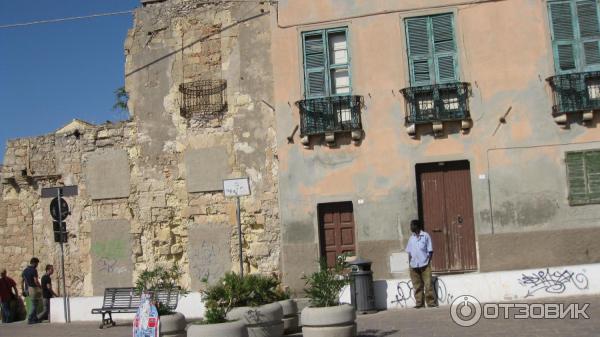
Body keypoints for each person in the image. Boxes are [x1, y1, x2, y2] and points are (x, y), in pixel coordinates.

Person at [405, 219, 437, 308]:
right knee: (417, 286)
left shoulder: (426, 236)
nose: (410, 227)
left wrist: (427, 262)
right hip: (414, 265)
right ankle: (419, 303)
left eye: (412, 225)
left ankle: (431, 303)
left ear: (417, 226)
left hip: (425, 265)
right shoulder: (411, 238)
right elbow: (409, 252)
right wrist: (410, 264)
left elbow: (430, 251)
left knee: (428, 284)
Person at [21, 257, 42, 324]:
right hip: (33, 288)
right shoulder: (33, 270)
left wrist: (23, 290)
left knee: (33, 303)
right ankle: (30, 318)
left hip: (27, 289)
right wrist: (40, 287)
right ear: (34, 263)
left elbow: (22, 281)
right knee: (34, 304)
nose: (37, 265)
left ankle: (35, 319)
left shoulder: (25, 270)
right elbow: (36, 281)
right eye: (37, 263)